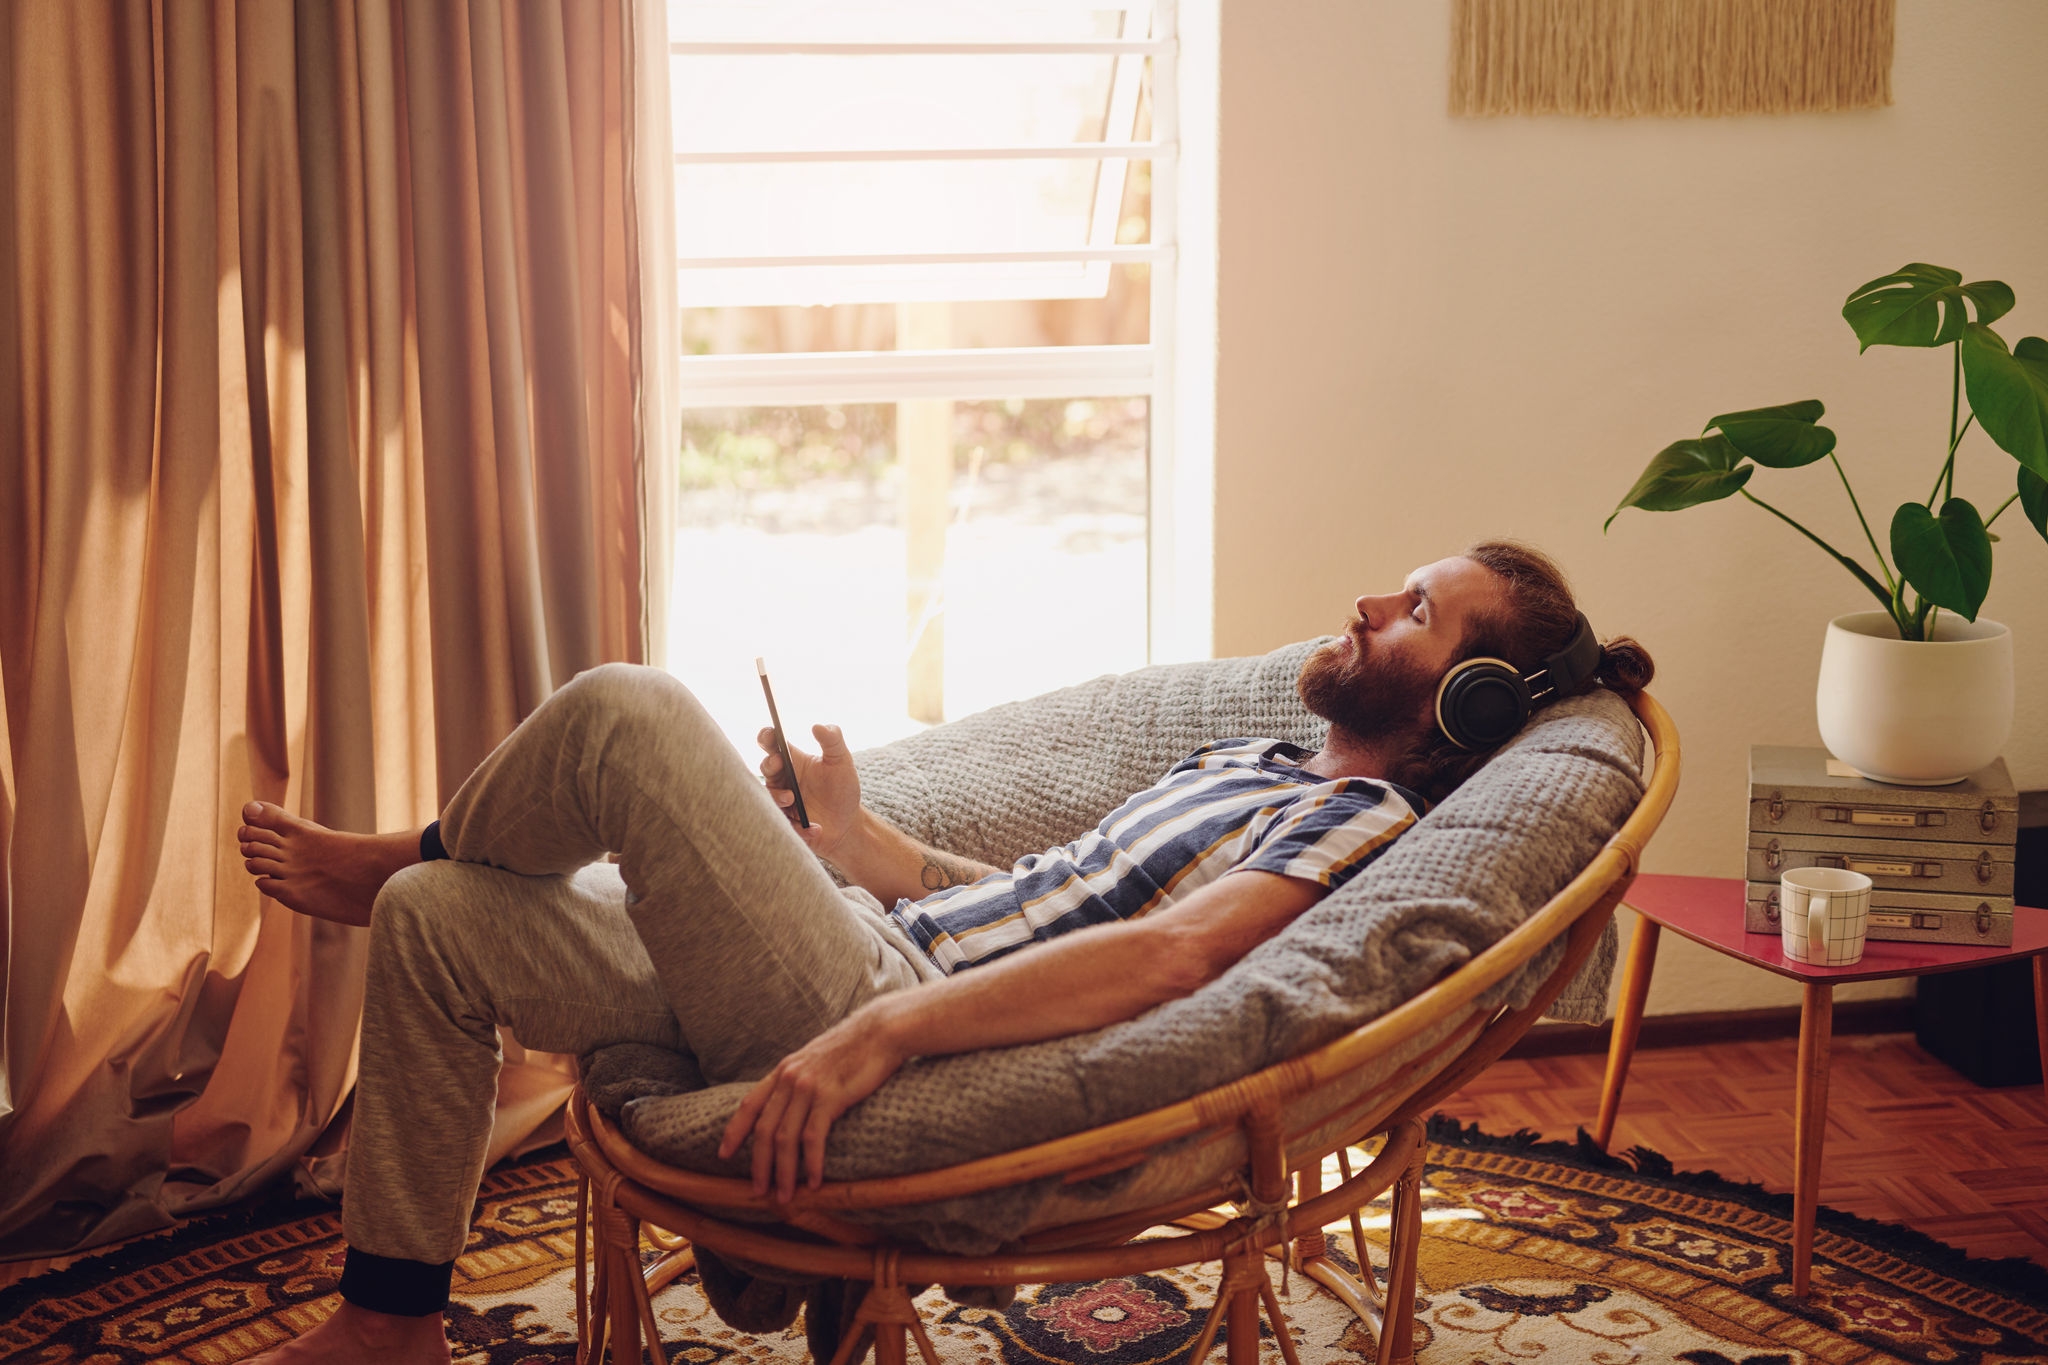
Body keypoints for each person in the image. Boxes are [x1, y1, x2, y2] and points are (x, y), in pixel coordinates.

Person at [235, 540, 1652, 1365]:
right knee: (442, 932)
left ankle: (404, 850)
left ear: (1464, 699)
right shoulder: (1265, 757)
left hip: (896, 1006)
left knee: (626, 713)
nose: (1366, 605)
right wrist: (856, 844)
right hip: (872, 943)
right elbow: (1059, 899)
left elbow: (1168, 963)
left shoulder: (1355, 819)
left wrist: (887, 1033)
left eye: (1415, 612)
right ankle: (391, 1323)